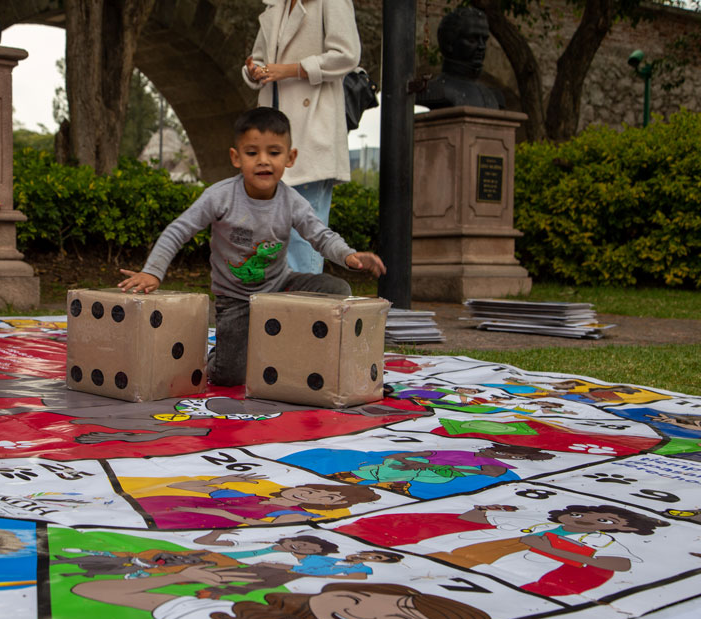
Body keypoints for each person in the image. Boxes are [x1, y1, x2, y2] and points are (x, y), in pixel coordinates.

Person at [118, 107, 385, 386]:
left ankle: (307, 356)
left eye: (273, 152)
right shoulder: (220, 197)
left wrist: (348, 255)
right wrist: (153, 272)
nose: (263, 161)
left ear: (290, 157)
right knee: (229, 376)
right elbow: (178, 230)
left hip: (281, 288)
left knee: (337, 291)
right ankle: (219, 355)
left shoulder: (292, 201)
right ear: (236, 157)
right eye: (252, 152)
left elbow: (321, 236)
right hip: (235, 298)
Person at [72, 568, 491, 619]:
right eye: (361, 597)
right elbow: (96, 592)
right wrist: (177, 578)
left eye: (401, 618)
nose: (361, 612)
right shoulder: (225, 613)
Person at [241, 0, 361, 274]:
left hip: (312, 129)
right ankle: (279, 308)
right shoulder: (275, 5)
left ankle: (302, 308)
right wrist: (254, 70)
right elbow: (259, 58)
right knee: (271, 230)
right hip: (274, 130)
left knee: (304, 230)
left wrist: (291, 69)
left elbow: (347, 54)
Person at [416, 6, 505, 110]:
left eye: (484, 40)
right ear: (449, 43)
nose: (481, 46)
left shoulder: (494, 97)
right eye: (472, 39)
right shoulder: (432, 92)